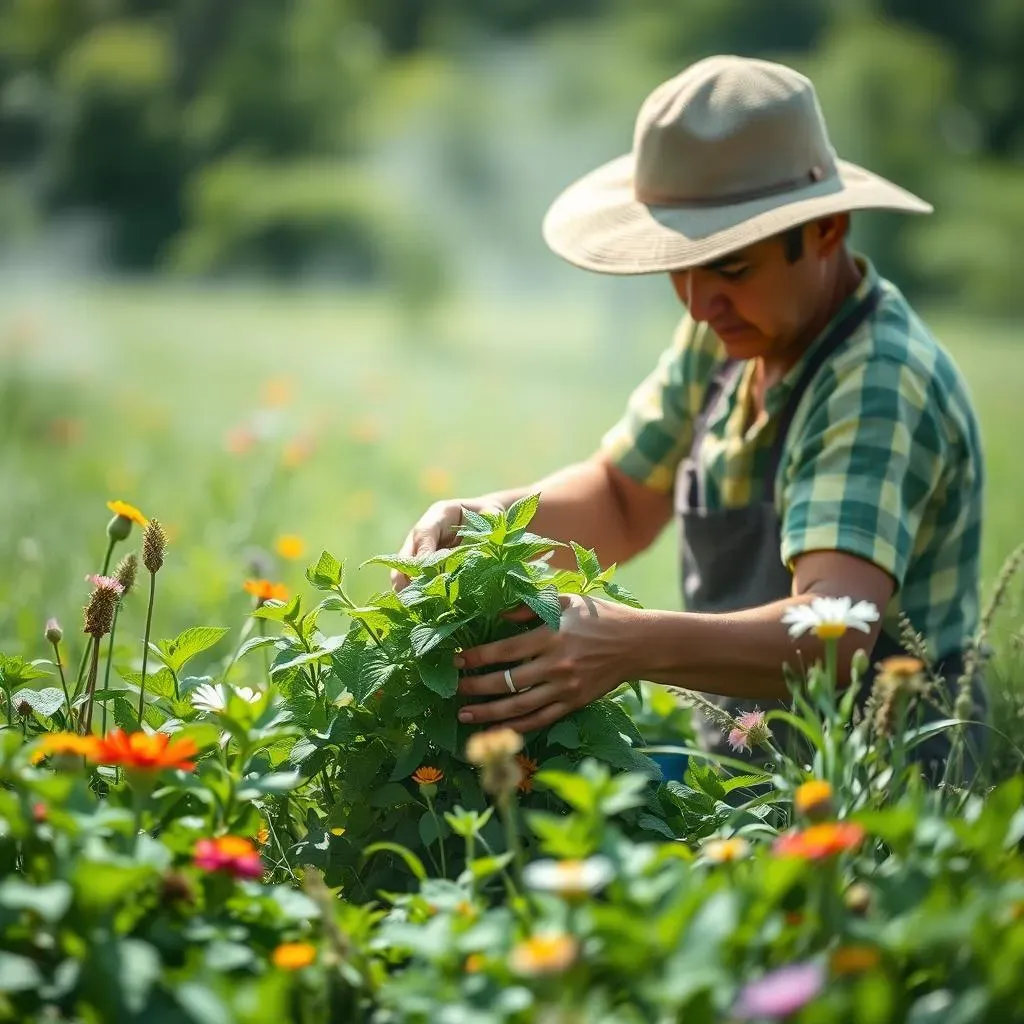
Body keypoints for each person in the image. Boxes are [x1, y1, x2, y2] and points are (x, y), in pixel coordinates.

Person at [393, 55, 985, 762]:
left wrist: (624, 641)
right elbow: (619, 498)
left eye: (732, 268)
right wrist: (486, 525)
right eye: (681, 269)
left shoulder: (877, 379)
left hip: (885, 783)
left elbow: (837, 637)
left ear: (827, 230)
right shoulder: (732, 332)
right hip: (751, 759)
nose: (701, 304)